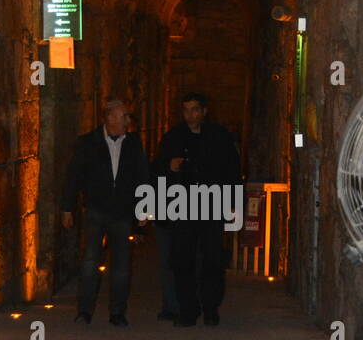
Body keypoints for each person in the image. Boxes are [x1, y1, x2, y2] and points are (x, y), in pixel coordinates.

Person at [153, 93, 242, 327]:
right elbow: (157, 169)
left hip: (212, 206)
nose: (190, 114)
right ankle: (188, 310)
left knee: (213, 260)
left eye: (194, 109)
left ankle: (210, 307)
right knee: (182, 260)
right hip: (182, 207)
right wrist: (168, 167)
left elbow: (232, 170)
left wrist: (232, 201)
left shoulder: (220, 137)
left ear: (204, 111)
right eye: (186, 110)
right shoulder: (173, 137)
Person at [61, 99, 149, 326]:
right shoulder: (88, 143)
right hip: (96, 209)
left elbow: (142, 176)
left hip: (121, 211)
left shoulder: (134, 144)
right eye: (124, 116)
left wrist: (144, 209)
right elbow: (74, 175)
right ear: (110, 118)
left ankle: (117, 312)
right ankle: (84, 311)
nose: (128, 120)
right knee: (90, 261)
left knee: (121, 265)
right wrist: (67, 207)